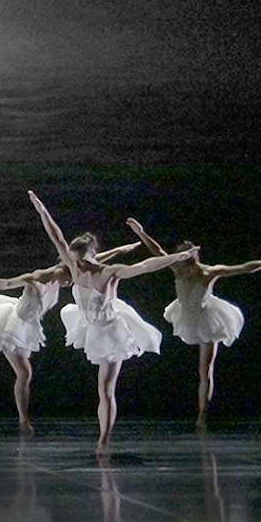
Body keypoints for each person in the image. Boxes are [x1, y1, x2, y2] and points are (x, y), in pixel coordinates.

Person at [0, 241, 140, 436]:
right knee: (23, 372)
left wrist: (120, 251)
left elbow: (93, 260)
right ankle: (23, 420)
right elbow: (8, 283)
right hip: (14, 323)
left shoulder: (72, 269)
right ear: (64, 270)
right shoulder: (40, 278)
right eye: (71, 279)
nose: (73, 282)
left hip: (29, 323)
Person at [25, 193, 194, 453]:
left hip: (110, 330)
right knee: (101, 387)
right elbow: (56, 235)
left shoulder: (109, 272)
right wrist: (41, 210)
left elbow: (146, 266)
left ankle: (103, 440)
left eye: (83, 259)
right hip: (89, 324)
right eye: (75, 259)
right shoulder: (73, 266)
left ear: (94, 255)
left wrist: (178, 258)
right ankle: (103, 437)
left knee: (105, 388)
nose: (78, 264)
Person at [125, 217, 261, 429]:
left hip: (206, 318)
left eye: (186, 252)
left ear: (195, 252)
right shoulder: (177, 267)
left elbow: (246, 267)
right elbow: (157, 251)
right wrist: (140, 232)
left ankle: (202, 414)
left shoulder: (208, 272)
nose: (182, 255)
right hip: (185, 313)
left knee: (205, 369)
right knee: (200, 365)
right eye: (180, 252)